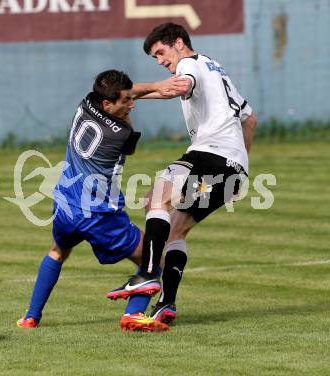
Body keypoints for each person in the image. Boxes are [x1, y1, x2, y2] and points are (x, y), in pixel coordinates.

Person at [108, 23, 258, 324]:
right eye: (155, 57)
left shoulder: (190, 63)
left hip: (209, 155)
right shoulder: (216, 69)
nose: (161, 61)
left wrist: (127, 92)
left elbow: (180, 86)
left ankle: (148, 274)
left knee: (156, 199)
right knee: (176, 230)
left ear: (178, 43)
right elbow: (250, 119)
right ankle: (167, 304)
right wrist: (240, 165)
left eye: (161, 53)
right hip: (233, 167)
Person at [17, 69, 184, 332]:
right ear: (107, 104)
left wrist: (156, 87)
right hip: (99, 214)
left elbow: (125, 94)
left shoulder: (86, 103)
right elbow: (128, 133)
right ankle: (134, 313)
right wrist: (157, 91)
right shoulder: (121, 135)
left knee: (57, 251)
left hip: (65, 203)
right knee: (155, 259)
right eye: (126, 102)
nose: (132, 105)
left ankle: (31, 316)